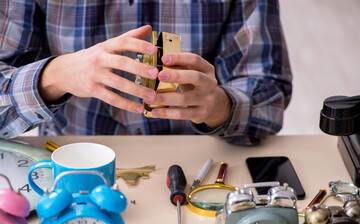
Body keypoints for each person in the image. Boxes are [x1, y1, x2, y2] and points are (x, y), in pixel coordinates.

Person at [0, 0, 292, 145]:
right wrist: (56, 75)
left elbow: (270, 97)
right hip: (74, 154)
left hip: (199, 157)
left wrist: (218, 106)